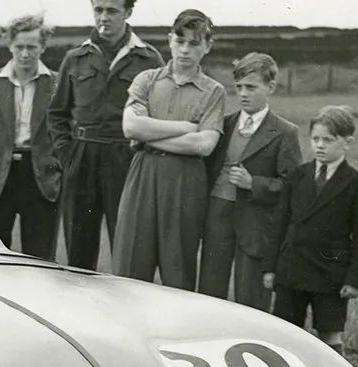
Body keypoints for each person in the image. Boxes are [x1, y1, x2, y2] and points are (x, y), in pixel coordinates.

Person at [111, 8, 226, 290]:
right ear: (169, 40)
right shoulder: (147, 80)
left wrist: (147, 134)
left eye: (194, 43)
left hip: (185, 182)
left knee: (178, 269)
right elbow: (130, 128)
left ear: (207, 46)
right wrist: (185, 128)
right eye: (180, 40)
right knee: (129, 266)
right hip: (143, 175)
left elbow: (204, 144)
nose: (185, 49)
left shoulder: (214, 92)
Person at [47, 0, 163, 271]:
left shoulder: (149, 59)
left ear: (128, 12)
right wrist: (68, 156)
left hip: (126, 158)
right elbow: (56, 113)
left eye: (111, 10)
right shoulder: (75, 57)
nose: (104, 17)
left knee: (126, 246)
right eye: (98, 10)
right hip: (82, 156)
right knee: (79, 249)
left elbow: (158, 115)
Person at [264, 105, 358, 356]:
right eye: (315, 139)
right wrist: (270, 268)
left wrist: (354, 280)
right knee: (284, 329)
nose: (320, 145)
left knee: (329, 331)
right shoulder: (297, 176)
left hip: (331, 275)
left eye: (328, 140)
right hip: (292, 269)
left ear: (346, 142)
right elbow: (279, 224)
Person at [197, 52, 302, 310]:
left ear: (271, 88)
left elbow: (293, 187)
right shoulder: (225, 124)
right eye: (239, 87)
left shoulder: (285, 132)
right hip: (217, 215)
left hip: (256, 224)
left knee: (251, 297)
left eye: (252, 87)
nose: (244, 93)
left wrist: (253, 183)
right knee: (210, 290)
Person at [0, 13, 60, 260]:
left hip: (41, 179)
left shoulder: (58, 84)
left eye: (32, 47)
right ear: (10, 45)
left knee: (41, 258)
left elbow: (65, 134)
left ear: (43, 46)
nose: (25, 54)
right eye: (19, 47)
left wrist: (59, 174)